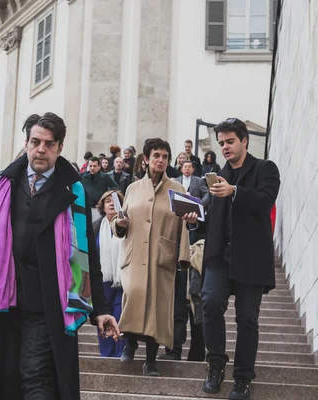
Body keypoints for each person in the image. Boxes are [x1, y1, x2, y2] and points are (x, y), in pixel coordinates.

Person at [0, 113, 120, 400]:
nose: (40, 149)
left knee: (36, 377)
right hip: (0, 302)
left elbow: (86, 256)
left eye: (49, 144)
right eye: (35, 142)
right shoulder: (0, 185)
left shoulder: (74, 192)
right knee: (3, 380)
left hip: (46, 304)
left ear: (59, 148)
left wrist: (101, 308)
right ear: (26, 144)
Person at [200, 118, 280, 400]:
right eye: (221, 142)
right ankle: (216, 365)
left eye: (230, 141)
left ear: (244, 140)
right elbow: (209, 217)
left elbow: (265, 200)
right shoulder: (217, 175)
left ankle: (243, 378)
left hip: (251, 258)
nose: (224, 147)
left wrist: (234, 191)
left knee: (247, 319)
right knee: (209, 302)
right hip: (219, 256)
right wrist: (192, 217)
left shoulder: (265, 169)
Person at [112, 138, 197, 377]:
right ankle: (129, 343)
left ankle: (150, 360)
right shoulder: (132, 189)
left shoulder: (178, 190)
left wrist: (182, 256)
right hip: (135, 254)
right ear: (146, 159)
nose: (161, 160)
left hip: (162, 258)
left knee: (158, 309)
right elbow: (120, 222)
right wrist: (118, 224)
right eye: (156, 155)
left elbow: (185, 224)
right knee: (134, 297)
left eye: (165, 156)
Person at [159, 160, 209, 362]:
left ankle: (197, 353)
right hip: (177, 257)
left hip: (197, 256)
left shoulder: (201, 186)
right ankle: (173, 349)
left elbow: (207, 211)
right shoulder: (172, 193)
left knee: (197, 304)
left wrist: (196, 210)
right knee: (177, 305)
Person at [93, 190, 127, 358]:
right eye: (107, 201)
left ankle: (121, 351)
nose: (112, 203)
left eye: (115, 201)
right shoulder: (96, 226)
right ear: (102, 206)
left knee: (120, 315)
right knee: (105, 318)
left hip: (123, 280)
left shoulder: (127, 225)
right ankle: (106, 354)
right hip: (102, 282)